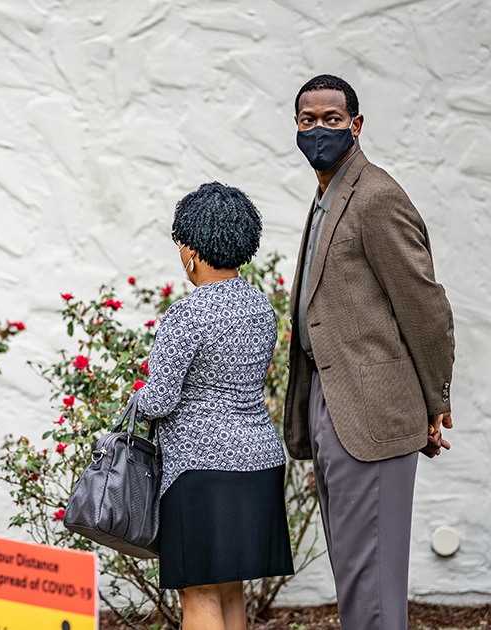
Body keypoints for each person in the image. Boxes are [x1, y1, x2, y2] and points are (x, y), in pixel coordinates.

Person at [284, 75, 455, 630]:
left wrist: (435, 403)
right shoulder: (327, 194)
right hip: (330, 399)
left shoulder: (377, 196)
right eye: (307, 120)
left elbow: (425, 308)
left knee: (373, 589)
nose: (319, 130)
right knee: (355, 578)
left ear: (355, 126)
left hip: (372, 409)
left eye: (332, 119)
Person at [131, 182, 293, 630]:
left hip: (201, 472)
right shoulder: (260, 306)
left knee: (198, 590)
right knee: (229, 587)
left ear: (193, 251)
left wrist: (135, 400)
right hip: (258, 462)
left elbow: (160, 399)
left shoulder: (187, 314)